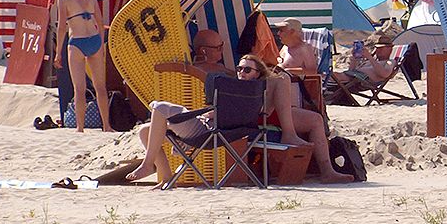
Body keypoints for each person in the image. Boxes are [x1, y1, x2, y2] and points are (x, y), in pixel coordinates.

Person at [125, 54, 353, 185]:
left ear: (258, 74)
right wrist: (207, 111)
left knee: (161, 107)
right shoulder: (233, 88)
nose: (241, 73)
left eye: (247, 70)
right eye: (240, 69)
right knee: (145, 130)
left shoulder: (252, 94)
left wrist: (268, 79)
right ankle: (166, 178)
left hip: (211, 130)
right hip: (204, 125)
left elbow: (279, 81)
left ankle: (147, 165)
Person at [54, 0, 111, 131]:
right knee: (100, 87)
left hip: (77, 42)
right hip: (94, 40)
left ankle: (80, 128)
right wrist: (100, 42)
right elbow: (100, 23)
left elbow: (62, 28)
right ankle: (106, 126)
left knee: (79, 89)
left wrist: (58, 53)